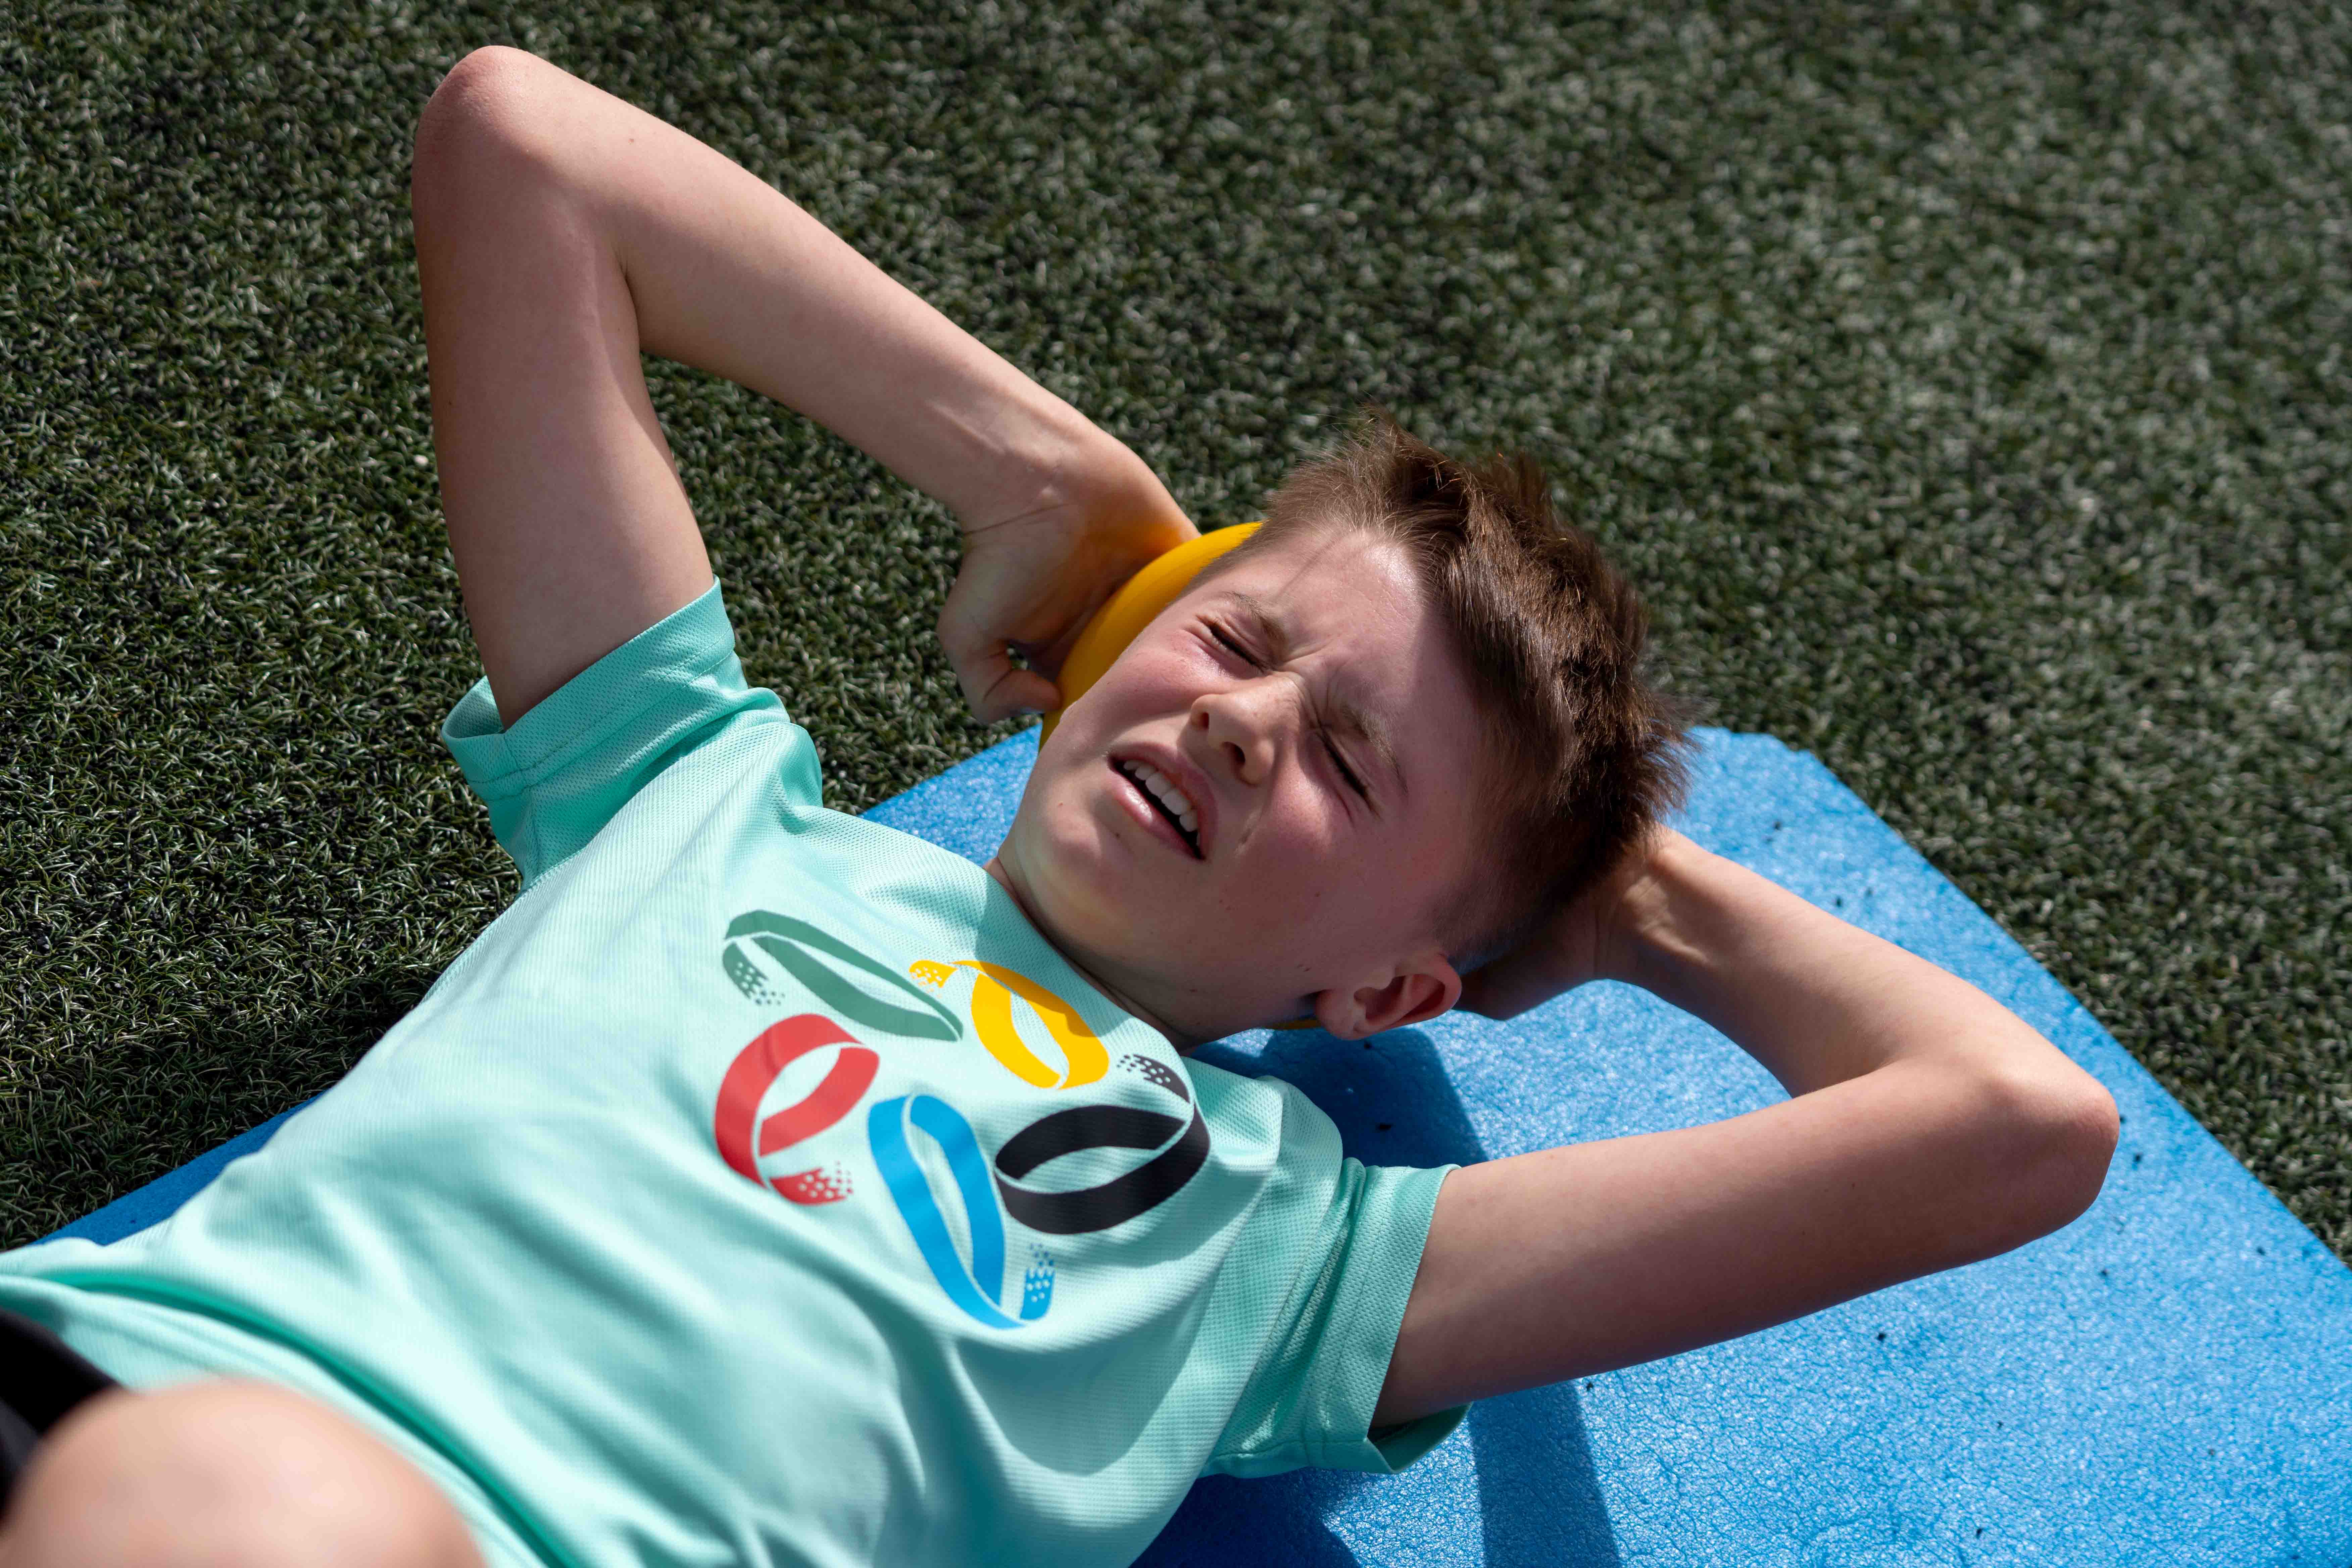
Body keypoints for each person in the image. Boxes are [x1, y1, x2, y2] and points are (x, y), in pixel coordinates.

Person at [0, 45, 2119, 1568]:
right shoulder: (688, 802)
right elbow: (520, 145)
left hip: (337, 1523)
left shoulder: (1280, 1250)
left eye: (1351, 761)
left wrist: (1612, 895)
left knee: (236, 1505)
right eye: (1234, 637)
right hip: (83, 1391)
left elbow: (2015, 1126)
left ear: (1394, 988)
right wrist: (1040, 479)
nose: (1246, 722)